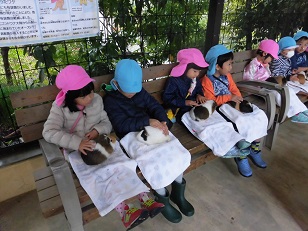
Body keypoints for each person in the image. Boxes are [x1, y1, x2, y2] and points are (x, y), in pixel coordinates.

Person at [42, 65, 164, 230]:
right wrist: (76, 143)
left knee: (123, 165)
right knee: (100, 176)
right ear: (71, 97)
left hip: (103, 142)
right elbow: (49, 132)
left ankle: (145, 198)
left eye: (91, 91)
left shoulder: (97, 101)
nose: (90, 97)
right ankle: (125, 212)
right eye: (84, 96)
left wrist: (96, 130)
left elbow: (106, 122)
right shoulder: (60, 109)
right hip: (78, 152)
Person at [104, 59, 194, 224]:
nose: (132, 94)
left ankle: (178, 192)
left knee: (175, 151)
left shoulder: (140, 92)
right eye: (128, 91)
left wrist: (163, 120)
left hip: (151, 129)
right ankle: (162, 198)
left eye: (135, 90)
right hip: (131, 137)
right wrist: (147, 120)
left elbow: (154, 106)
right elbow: (120, 125)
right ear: (116, 83)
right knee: (155, 163)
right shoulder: (111, 100)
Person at [201, 45, 269, 177]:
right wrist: (229, 98)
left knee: (259, 115)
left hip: (235, 104)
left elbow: (234, 89)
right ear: (217, 66)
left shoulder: (227, 76)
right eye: (229, 64)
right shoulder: (207, 81)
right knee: (242, 121)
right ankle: (241, 156)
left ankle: (255, 149)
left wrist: (239, 99)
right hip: (222, 109)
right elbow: (211, 101)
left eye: (231, 63)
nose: (231, 67)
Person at [244, 39, 308, 123]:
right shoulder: (253, 64)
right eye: (272, 58)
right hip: (259, 90)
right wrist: (263, 84)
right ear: (264, 54)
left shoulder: (265, 64)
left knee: (289, 90)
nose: (272, 60)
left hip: (269, 86)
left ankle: (301, 109)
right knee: (279, 94)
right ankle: (294, 114)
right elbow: (248, 81)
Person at [162, 48, 209, 122]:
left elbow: (199, 89)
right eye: (195, 71)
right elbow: (167, 99)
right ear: (185, 67)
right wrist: (185, 102)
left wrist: (199, 95)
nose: (197, 74)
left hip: (192, 108)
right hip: (179, 112)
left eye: (199, 71)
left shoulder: (194, 80)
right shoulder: (173, 81)